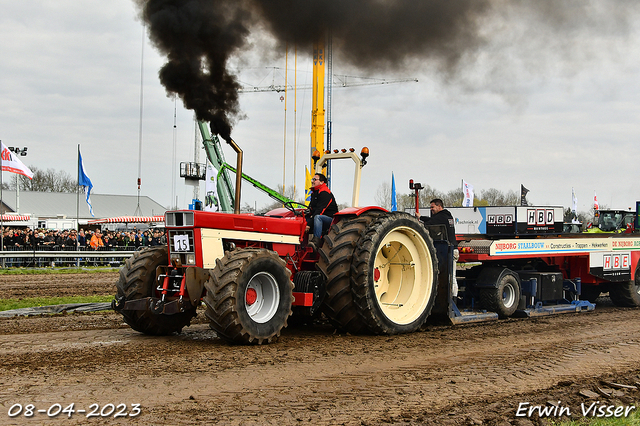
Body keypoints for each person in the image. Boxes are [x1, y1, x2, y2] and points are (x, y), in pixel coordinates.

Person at [419, 198, 459, 297]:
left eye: (432, 207)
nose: (431, 209)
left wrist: (419, 220)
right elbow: (431, 220)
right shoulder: (447, 216)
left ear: (439, 206)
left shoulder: (441, 217)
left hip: (450, 249)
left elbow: (430, 223)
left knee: (450, 277)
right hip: (452, 249)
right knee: (450, 276)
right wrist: (421, 217)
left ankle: (453, 300)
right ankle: (451, 299)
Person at [305, 173, 338, 250]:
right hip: (319, 216)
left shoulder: (325, 193)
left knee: (318, 218)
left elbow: (320, 211)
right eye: (312, 179)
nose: (312, 181)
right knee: (302, 219)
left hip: (330, 220)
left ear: (322, 182)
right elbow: (311, 209)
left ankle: (316, 242)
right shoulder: (314, 193)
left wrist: (309, 224)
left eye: (314, 179)